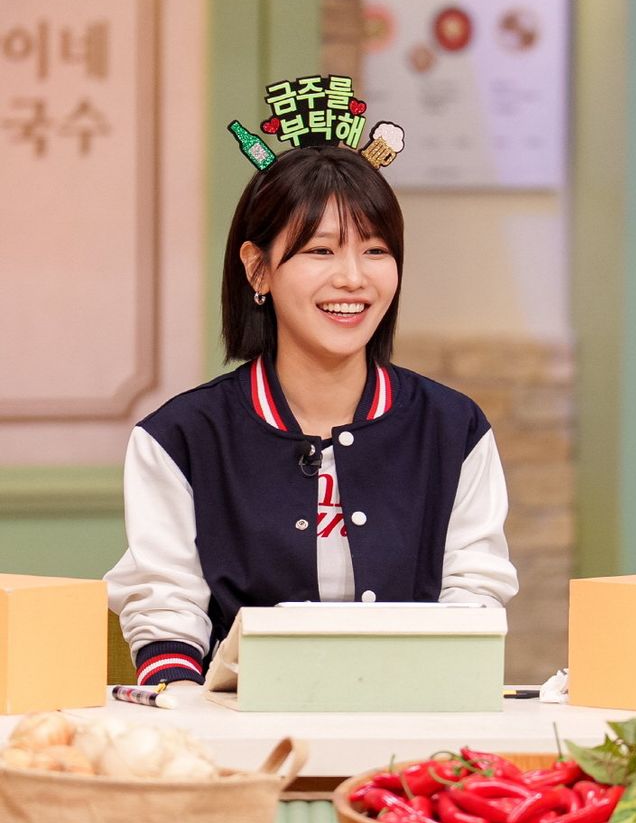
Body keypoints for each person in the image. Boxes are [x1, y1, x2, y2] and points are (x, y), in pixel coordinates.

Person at [105, 144, 518, 687]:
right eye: (321, 251)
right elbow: (166, 606)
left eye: (375, 250)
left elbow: (473, 591)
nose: (353, 278)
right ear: (258, 269)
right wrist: (183, 704)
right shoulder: (179, 438)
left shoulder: (452, 428)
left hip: (414, 713)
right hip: (236, 720)